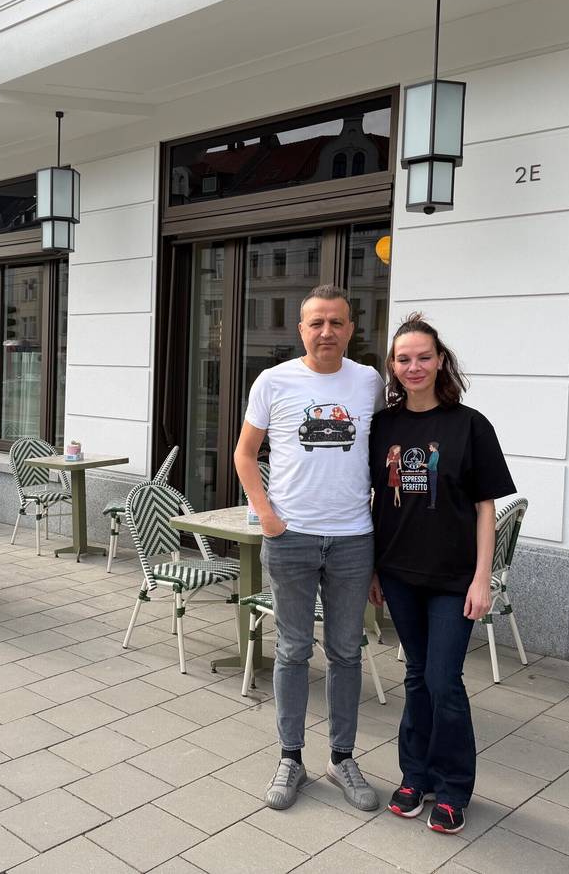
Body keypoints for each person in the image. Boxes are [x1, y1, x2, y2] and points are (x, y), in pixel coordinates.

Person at [234, 284, 385, 812]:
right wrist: (269, 517)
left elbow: (381, 459)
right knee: (293, 651)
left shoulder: (369, 383)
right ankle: (290, 757)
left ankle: (342, 757)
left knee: (347, 652)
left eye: (337, 322)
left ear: (351, 329)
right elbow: (245, 454)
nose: (327, 332)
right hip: (291, 539)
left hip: (352, 540)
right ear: (301, 329)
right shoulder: (273, 381)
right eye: (316, 323)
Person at [368, 313, 516, 835]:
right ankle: (416, 776)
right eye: (403, 359)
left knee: (443, 679)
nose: (414, 366)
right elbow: (372, 500)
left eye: (424, 357)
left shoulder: (469, 424)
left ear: (440, 361)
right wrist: (374, 570)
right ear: (392, 366)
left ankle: (454, 787)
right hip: (400, 573)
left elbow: (485, 506)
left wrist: (482, 578)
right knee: (414, 676)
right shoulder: (382, 425)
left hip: (455, 578)